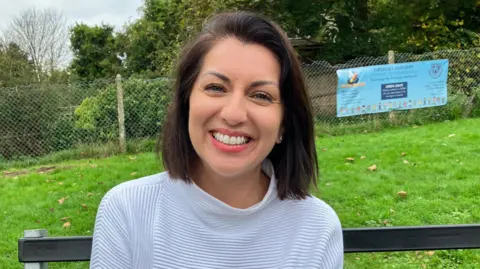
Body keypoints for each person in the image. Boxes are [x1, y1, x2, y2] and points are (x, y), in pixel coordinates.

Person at [90, 11, 344, 269]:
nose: (233, 114)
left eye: (261, 95)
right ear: (186, 102)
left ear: (284, 124)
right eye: (216, 88)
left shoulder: (318, 229)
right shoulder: (127, 211)